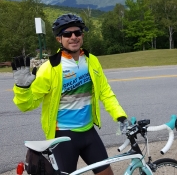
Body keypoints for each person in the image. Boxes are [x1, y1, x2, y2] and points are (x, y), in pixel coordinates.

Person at [12, 13, 129, 175]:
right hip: (63, 137)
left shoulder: (91, 60)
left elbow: (105, 92)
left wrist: (120, 116)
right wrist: (22, 88)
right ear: (59, 39)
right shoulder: (50, 68)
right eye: (67, 34)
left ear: (82, 35)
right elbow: (27, 105)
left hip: (89, 133)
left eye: (78, 32)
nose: (73, 37)